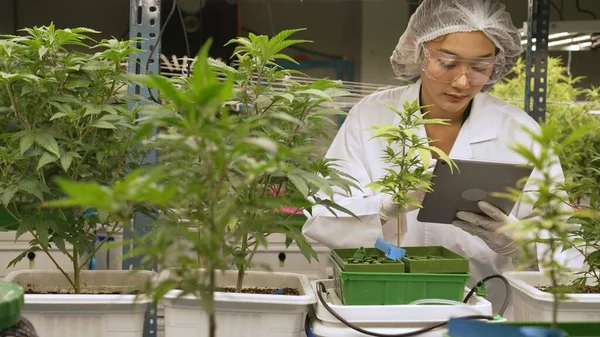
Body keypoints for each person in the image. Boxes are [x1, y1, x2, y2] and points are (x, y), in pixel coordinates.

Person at [301, 0, 583, 315]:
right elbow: (319, 220)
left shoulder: (520, 131)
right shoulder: (370, 116)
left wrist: (518, 241)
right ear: (419, 53)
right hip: (375, 310)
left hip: (485, 313)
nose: (463, 82)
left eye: (479, 66)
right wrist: (380, 209)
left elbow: (564, 239)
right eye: (447, 62)